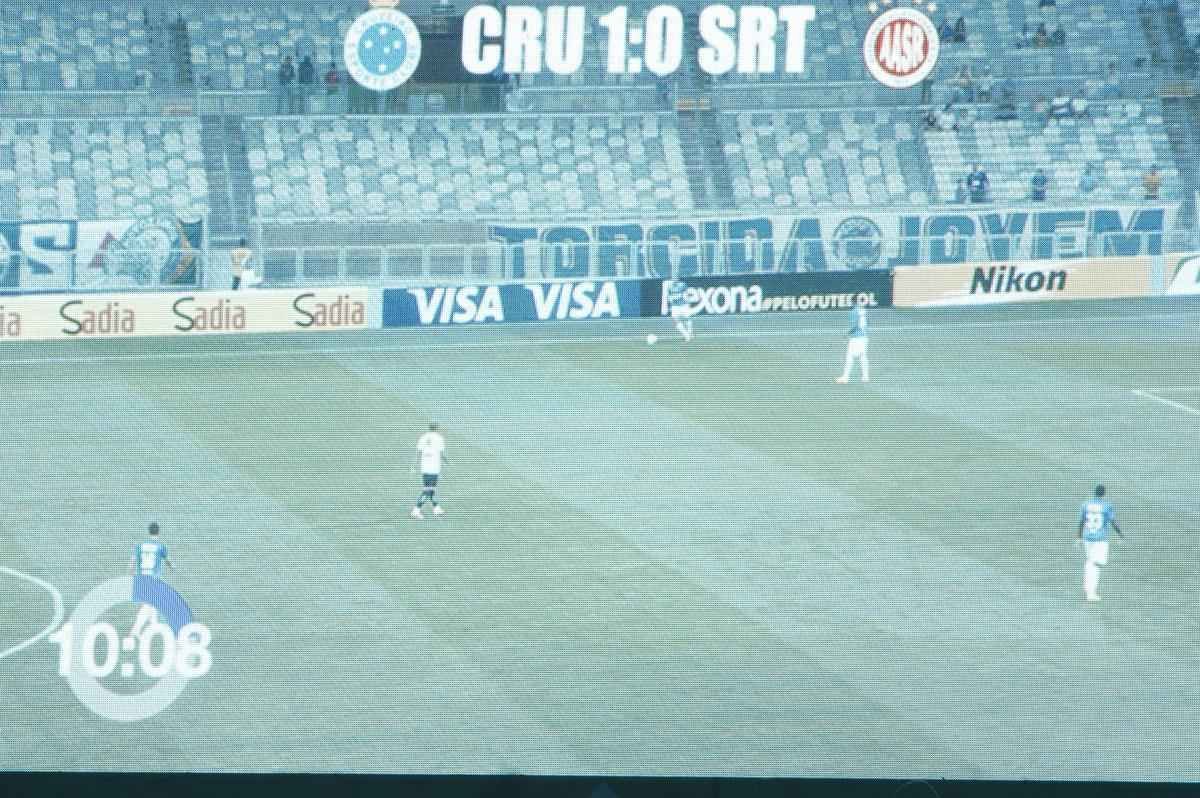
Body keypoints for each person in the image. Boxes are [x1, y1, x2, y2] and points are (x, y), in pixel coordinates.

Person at [1076, 485, 1126, 602]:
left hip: (1087, 537)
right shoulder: (1106, 506)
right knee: (1097, 563)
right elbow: (1113, 521)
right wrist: (1120, 534)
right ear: (1104, 494)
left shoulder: (1085, 504)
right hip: (1100, 539)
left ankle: (1087, 587)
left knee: (1090, 561)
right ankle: (1091, 592)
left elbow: (1081, 521)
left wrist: (1078, 537)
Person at [410, 423, 448, 520]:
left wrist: (414, 465)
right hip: (434, 468)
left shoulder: (423, 437)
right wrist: (446, 462)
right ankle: (416, 510)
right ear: (437, 428)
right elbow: (442, 453)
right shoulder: (439, 438)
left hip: (425, 468)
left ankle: (436, 508)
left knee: (431, 489)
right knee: (427, 490)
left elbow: (418, 452)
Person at [836, 298, 869, 384]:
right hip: (864, 336)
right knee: (863, 357)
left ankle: (845, 377)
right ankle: (865, 376)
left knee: (849, 357)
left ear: (853, 302)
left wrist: (846, 334)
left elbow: (854, 326)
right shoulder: (862, 310)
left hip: (856, 338)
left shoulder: (853, 312)